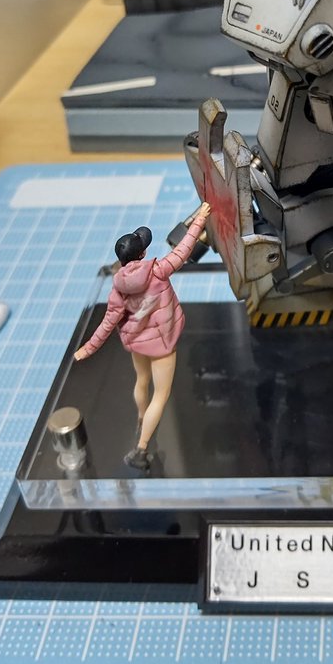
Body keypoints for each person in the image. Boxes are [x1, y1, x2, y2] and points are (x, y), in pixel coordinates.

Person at [74, 201, 211, 469]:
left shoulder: (118, 289)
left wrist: (87, 349)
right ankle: (141, 448)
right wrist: (200, 219)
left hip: (137, 343)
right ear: (143, 253)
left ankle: (140, 417)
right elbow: (183, 250)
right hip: (161, 345)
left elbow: (106, 325)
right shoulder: (158, 270)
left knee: (141, 380)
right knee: (160, 395)